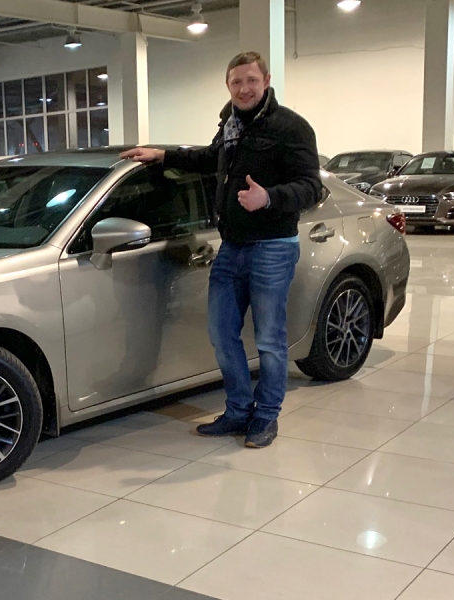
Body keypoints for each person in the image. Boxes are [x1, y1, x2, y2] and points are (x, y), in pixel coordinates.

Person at [120, 51, 321, 448]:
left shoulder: (291, 127)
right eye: (236, 82)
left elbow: (311, 187)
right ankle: (238, 410)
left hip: (272, 247)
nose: (244, 89)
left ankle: (266, 416)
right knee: (221, 333)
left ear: (266, 81)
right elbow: (212, 158)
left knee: (269, 339)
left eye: (251, 80)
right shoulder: (230, 124)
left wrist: (268, 198)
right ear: (228, 85)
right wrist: (163, 155)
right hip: (232, 247)